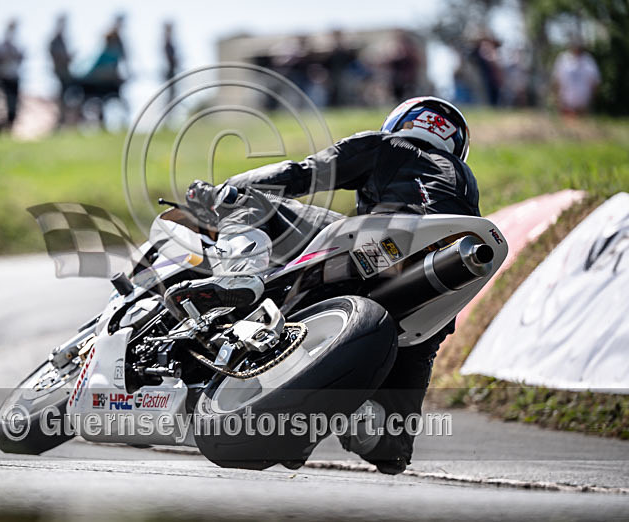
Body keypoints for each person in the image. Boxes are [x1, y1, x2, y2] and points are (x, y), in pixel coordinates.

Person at [165, 96, 478, 475]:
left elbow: (304, 173)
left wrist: (221, 191)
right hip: (436, 286)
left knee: (247, 198)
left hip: (380, 242)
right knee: (393, 443)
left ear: (403, 121)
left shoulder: (387, 145)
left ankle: (239, 274)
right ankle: (350, 422)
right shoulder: (465, 180)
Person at [552, 38, 600, 116]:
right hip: (566, 105)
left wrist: (591, 102)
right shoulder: (563, 59)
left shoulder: (588, 60)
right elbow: (556, 81)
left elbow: (594, 82)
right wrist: (558, 101)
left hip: (583, 107)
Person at [0, 19, 24, 130]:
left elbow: (20, 60)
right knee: (2, 104)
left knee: (13, 104)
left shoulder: (16, 46)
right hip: (3, 78)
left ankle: (10, 127)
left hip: (14, 77)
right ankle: (0, 126)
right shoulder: (0, 46)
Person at [49, 14, 73, 125]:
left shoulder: (63, 39)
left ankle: (64, 120)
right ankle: (59, 120)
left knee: (65, 97)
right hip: (59, 73)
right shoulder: (55, 40)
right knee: (60, 97)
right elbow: (56, 56)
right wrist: (65, 58)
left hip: (65, 73)